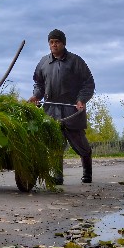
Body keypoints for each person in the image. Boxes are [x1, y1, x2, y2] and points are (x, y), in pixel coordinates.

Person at [29, 29, 95, 184]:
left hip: (71, 109)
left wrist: (81, 100)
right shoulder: (43, 63)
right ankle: (58, 176)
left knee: (81, 145)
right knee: (55, 144)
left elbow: (88, 83)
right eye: (51, 42)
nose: (54, 45)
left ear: (63, 43)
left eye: (57, 42)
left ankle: (87, 174)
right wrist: (36, 96)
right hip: (51, 109)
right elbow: (39, 84)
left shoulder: (76, 61)